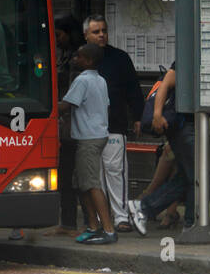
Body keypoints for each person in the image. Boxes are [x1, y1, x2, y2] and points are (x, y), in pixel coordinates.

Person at [84, 15, 145, 235]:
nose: (101, 35)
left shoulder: (120, 58)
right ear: (86, 35)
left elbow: (133, 90)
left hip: (114, 125)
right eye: (96, 31)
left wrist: (138, 116)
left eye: (104, 30)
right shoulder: (79, 59)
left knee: (115, 171)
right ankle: (102, 218)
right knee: (95, 175)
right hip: (87, 128)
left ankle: (120, 217)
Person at [59, 43, 115, 244]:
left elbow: (65, 106)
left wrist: (45, 105)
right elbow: (106, 107)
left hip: (88, 139)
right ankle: (93, 226)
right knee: (81, 183)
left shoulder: (82, 80)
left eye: (79, 57)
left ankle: (108, 230)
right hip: (97, 135)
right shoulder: (101, 80)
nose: (75, 59)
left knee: (91, 184)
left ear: (89, 61)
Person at [129, 61, 195, 230]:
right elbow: (166, 83)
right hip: (184, 126)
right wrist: (157, 115)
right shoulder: (189, 53)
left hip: (190, 127)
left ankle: (143, 208)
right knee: (195, 177)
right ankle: (191, 223)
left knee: (187, 177)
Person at [52, 13, 81, 230]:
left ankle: (70, 222)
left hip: (71, 125)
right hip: (65, 123)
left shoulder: (77, 60)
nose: (56, 39)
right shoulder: (65, 56)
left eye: (59, 35)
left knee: (69, 174)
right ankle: (67, 221)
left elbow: (72, 96)